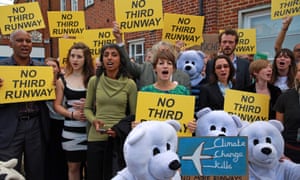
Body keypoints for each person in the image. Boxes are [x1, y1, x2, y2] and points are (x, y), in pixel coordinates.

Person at [0, 29, 50, 180]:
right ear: (10, 44)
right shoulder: (2, 69)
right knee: (7, 171)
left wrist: (52, 85)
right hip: (9, 128)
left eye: (28, 41)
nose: (24, 44)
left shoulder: (42, 69)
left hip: (35, 125)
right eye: (19, 40)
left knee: (36, 170)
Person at [84, 43, 137, 180]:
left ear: (121, 59)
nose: (109, 58)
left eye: (114, 55)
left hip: (118, 140)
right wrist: (94, 120)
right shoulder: (94, 81)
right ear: (102, 59)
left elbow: (134, 115)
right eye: (106, 55)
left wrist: (119, 130)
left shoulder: (130, 84)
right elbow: (87, 108)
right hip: (96, 138)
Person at [54, 42, 94, 180]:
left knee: (92, 167)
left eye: (79, 56)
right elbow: (57, 106)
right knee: (73, 167)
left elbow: (103, 103)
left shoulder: (93, 80)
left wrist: (90, 106)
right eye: (72, 56)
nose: (75, 60)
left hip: (91, 130)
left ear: (86, 59)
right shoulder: (62, 81)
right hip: (71, 131)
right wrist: (72, 114)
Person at [112, 22, 191, 90]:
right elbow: (127, 64)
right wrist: (119, 40)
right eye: (160, 52)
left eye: (167, 52)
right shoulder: (145, 69)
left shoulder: (184, 77)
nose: (163, 55)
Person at [44, 57, 68, 180]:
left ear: (59, 68)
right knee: (51, 155)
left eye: (54, 66)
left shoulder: (65, 83)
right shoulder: (38, 85)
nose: (51, 68)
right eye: (47, 65)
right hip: (49, 124)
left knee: (64, 156)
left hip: (64, 123)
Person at [274, 63, 300, 163]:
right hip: (290, 153)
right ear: (295, 74)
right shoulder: (285, 97)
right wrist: (281, 154)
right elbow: (278, 130)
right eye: (299, 70)